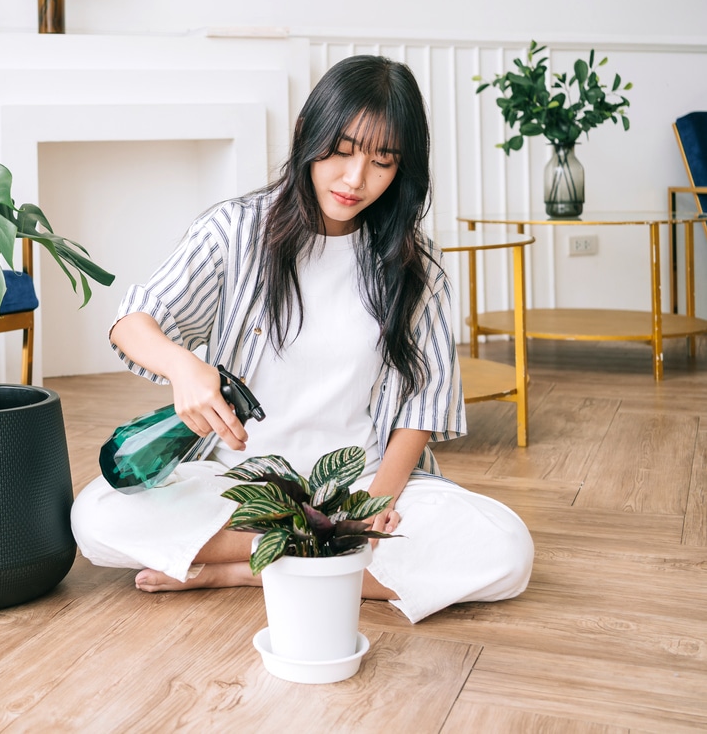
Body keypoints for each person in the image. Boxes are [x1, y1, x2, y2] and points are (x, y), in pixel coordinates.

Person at [70, 55, 533, 623]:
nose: (355, 179)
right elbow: (134, 321)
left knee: (507, 550)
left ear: (402, 170)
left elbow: (424, 402)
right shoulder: (236, 230)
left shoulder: (418, 266)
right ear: (307, 136)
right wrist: (183, 365)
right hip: (240, 486)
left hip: (359, 483)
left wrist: (373, 506)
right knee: (96, 519)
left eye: (382, 161)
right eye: (341, 151)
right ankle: (327, 561)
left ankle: (248, 570)